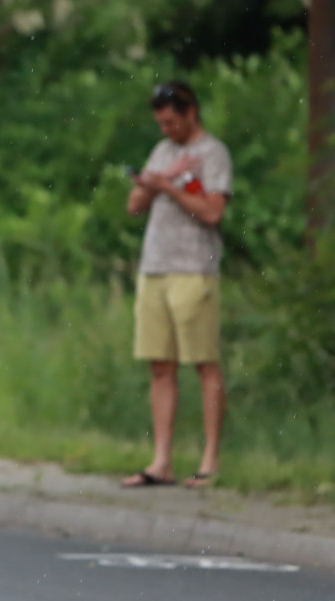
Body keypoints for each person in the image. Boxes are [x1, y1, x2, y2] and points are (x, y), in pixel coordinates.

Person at [122, 81, 233, 489]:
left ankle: (209, 460)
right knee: (160, 365)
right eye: (160, 123)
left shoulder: (213, 154)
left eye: (171, 122)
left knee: (203, 362)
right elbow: (134, 206)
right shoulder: (162, 151)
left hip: (193, 268)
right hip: (155, 267)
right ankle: (162, 460)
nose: (165, 129)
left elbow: (213, 212)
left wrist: (169, 185)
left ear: (190, 113)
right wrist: (151, 181)